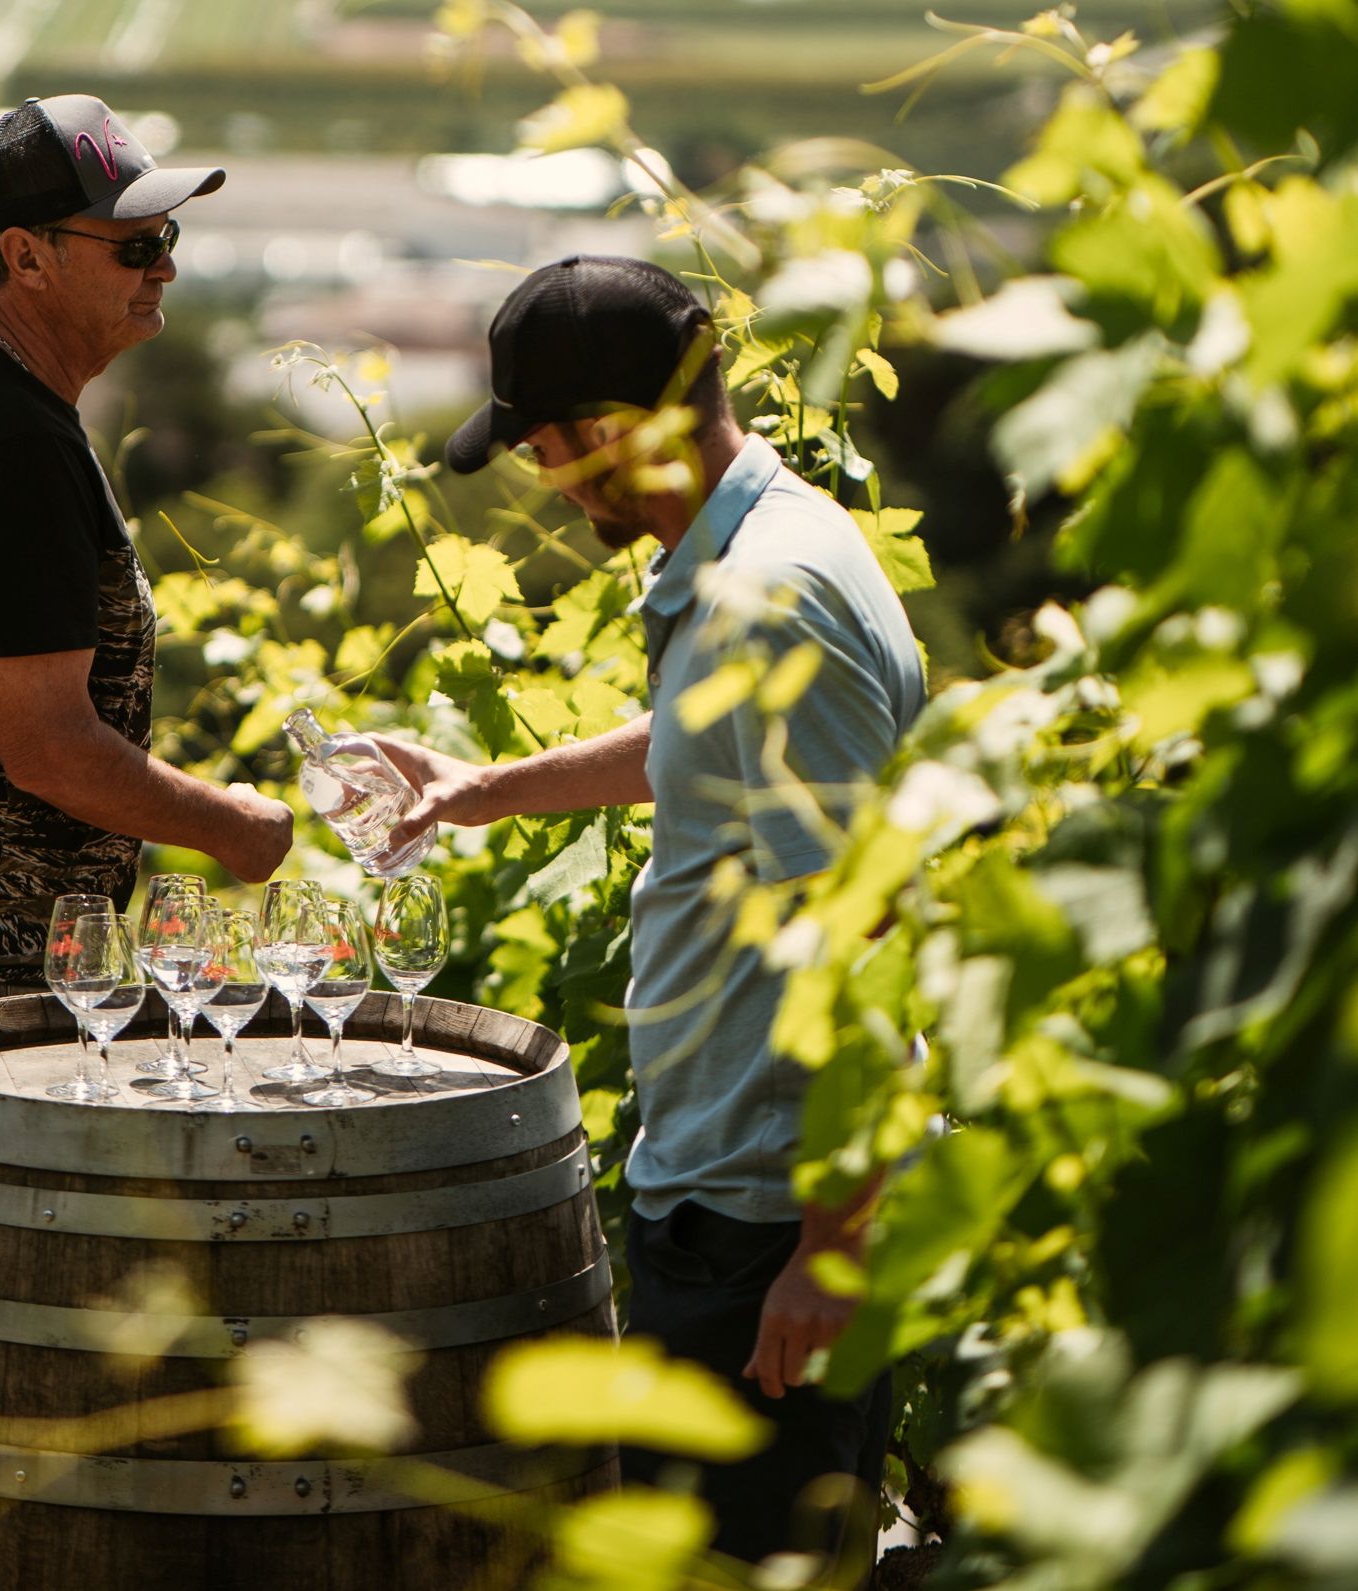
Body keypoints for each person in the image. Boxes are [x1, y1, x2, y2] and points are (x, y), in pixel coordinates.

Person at [377, 255, 925, 1567]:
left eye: (545, 450)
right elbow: (697, 739)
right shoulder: (758, 541)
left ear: (612, 432)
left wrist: (829, 1252)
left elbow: (867, 934)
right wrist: (482, 791)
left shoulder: (766, 603)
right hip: (738, 1199)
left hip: (764, 1221)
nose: (542, 483)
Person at [0, 95, 293, 1324]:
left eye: (168, 240)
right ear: (24, 257)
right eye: (133, 246)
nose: (163, 266)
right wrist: (227, 828)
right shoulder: (7, 445)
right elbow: (48, 745)